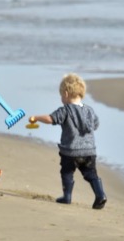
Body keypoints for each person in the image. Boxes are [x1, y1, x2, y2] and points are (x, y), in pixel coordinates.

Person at [29, 73, 106, 209]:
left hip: (70, 152)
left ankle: (67, 196)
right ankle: (100, 195)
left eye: (61, 95)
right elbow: (96, 124)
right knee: (91, 174)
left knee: (67, 173)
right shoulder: (90, 111)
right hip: (89, 151)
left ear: (65, 93)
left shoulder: (65, 110)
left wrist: (36, 118)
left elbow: (51, 119)